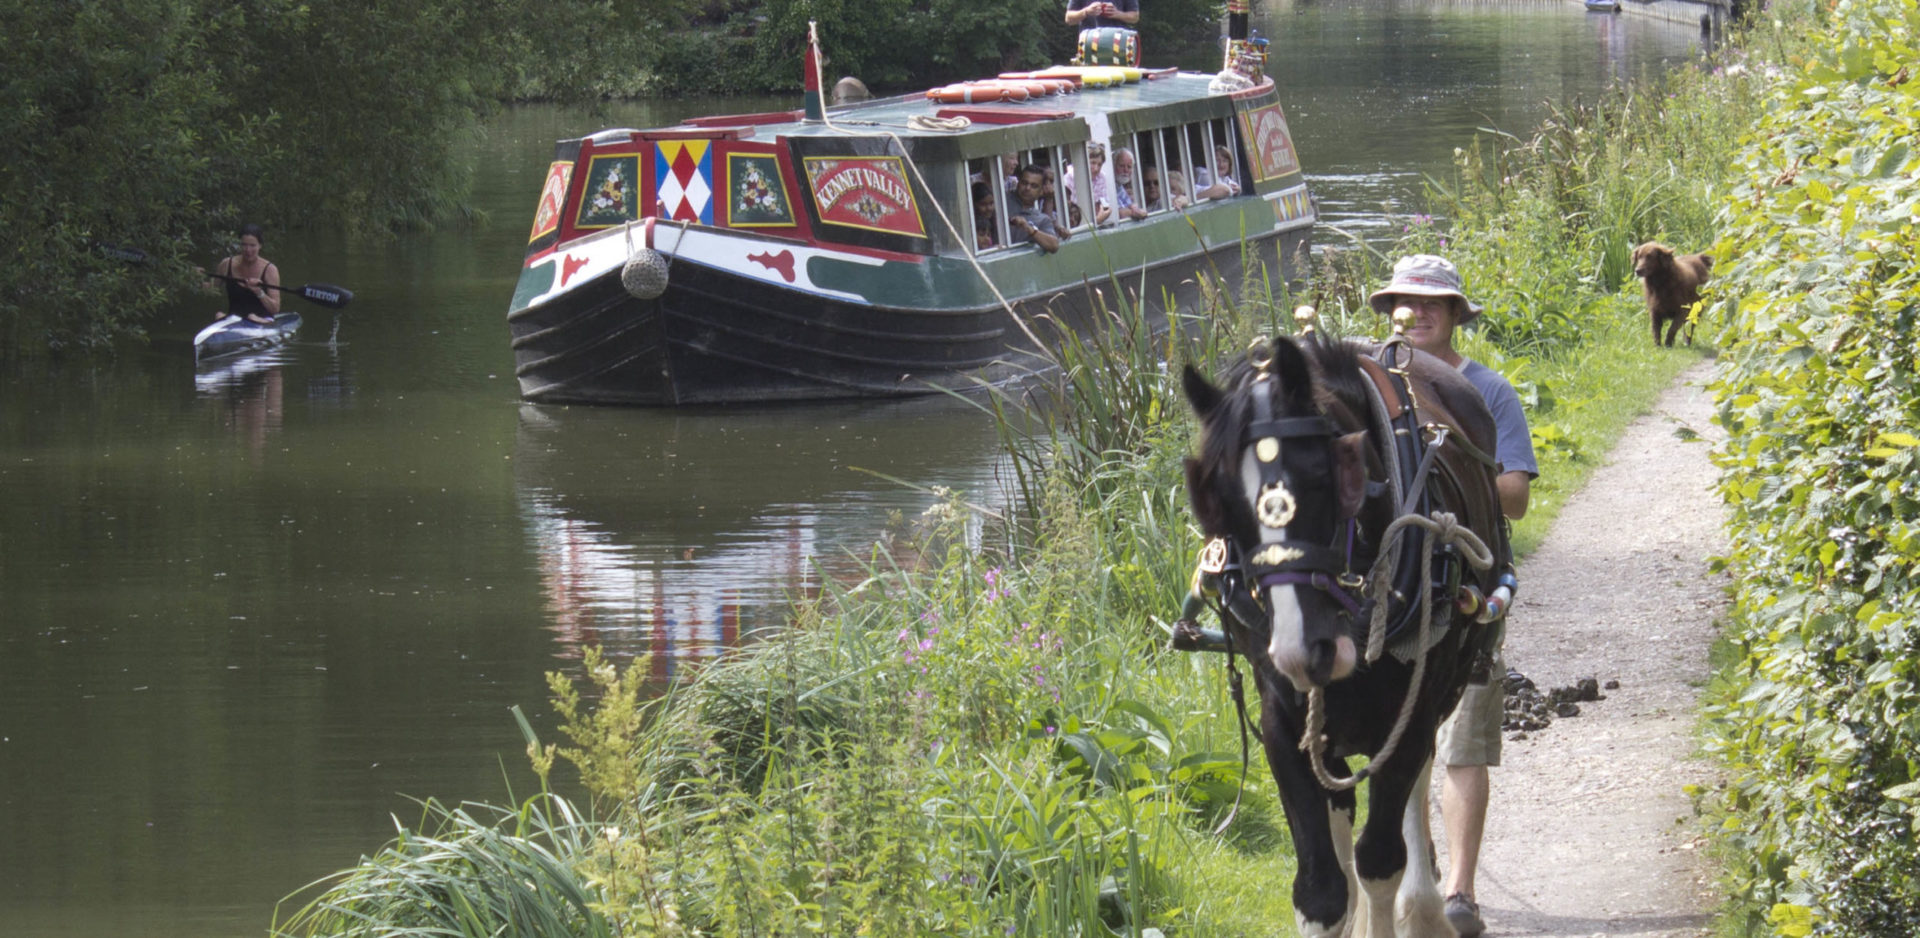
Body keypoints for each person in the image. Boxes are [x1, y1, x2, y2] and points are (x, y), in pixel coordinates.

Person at [1368, 254, 1536, 938]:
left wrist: (1438, 477)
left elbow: (1518, 497)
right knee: (1397, 742)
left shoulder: (1487, 391)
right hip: (1391, 599)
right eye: (1407, 300)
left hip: (1464, 593)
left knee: (1464, 740)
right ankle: (1417, 871)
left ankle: (1460, 893)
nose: (1419, 311)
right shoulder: (1368, 388)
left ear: (1456, 314)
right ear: (1390, 313)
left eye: (1434, 301)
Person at [208, 223, 280, 325]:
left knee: (252, 317)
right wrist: (195, 278)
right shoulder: (226, 264)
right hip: (234, 319)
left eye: (252, 245)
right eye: (244, 245)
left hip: (261, 319)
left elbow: (275, 309)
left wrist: (259, 292)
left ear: (260, 245)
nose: (248, 250)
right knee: (219, 315)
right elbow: (210, 289)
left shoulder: (270, 269)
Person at [1008, 164, 1065, 253]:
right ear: (1018, 183)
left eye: (1034, 186)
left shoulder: (1042, 219)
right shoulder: (1003, 201)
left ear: (1041, 191)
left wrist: (1028, 228)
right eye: (1024, 183)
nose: (1027, 188)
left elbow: (1054, 245)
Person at [1111, 148, 1149, 221]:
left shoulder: (1119, 186)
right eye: (1122, 166)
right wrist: (1133, 212)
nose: (1126, 170)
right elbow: (1119, 213)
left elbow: (1129, 206)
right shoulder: (1109, 186)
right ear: (1113, 165)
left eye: (1129, 167)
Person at [1064, 0, 1139, 29]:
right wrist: (1086, 12)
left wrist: (1118, 14)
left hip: (1118, 42)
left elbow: (1135, 17)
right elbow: (1068, 18)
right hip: (1088, 42)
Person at [972, 181, 999, 250]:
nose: (989, 208)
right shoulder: (971, 227)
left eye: (991, 203)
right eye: (983, 204)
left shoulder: (997, 222)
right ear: (974, 205)